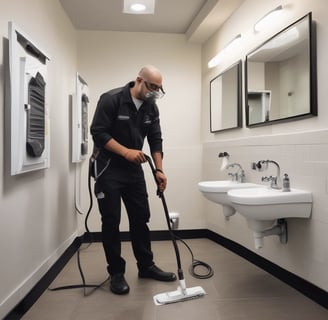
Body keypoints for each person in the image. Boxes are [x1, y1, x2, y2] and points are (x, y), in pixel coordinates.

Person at [90, 65, 176, 295]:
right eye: (152, 87)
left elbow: (156, 139)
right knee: (111, 220)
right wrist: (126, 151)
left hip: (134, 171)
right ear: (139, 80)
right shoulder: (111, 99)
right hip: (108, 168)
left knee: (141, 218)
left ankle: (146, 266)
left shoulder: (151, 107)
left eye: (159, 88)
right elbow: (98, 133)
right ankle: (116, 273)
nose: (155, 92)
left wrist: (159, 170)